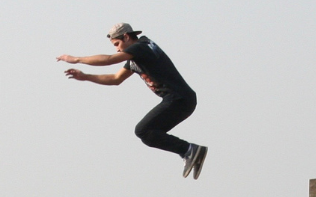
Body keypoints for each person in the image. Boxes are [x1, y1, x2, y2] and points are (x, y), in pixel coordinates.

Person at [58, 23, 207, 180]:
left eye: (117, 44)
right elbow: (116, 79)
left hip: (179, 98)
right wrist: (86, 76)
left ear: (127, 37)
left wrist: (76, 59)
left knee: (144, 130)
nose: (117, 49)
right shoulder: (136, 58)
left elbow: (109, 60)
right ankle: (188, 151)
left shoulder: (142, 46)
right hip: (182, 100)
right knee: (148, 134)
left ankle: (189, 150)